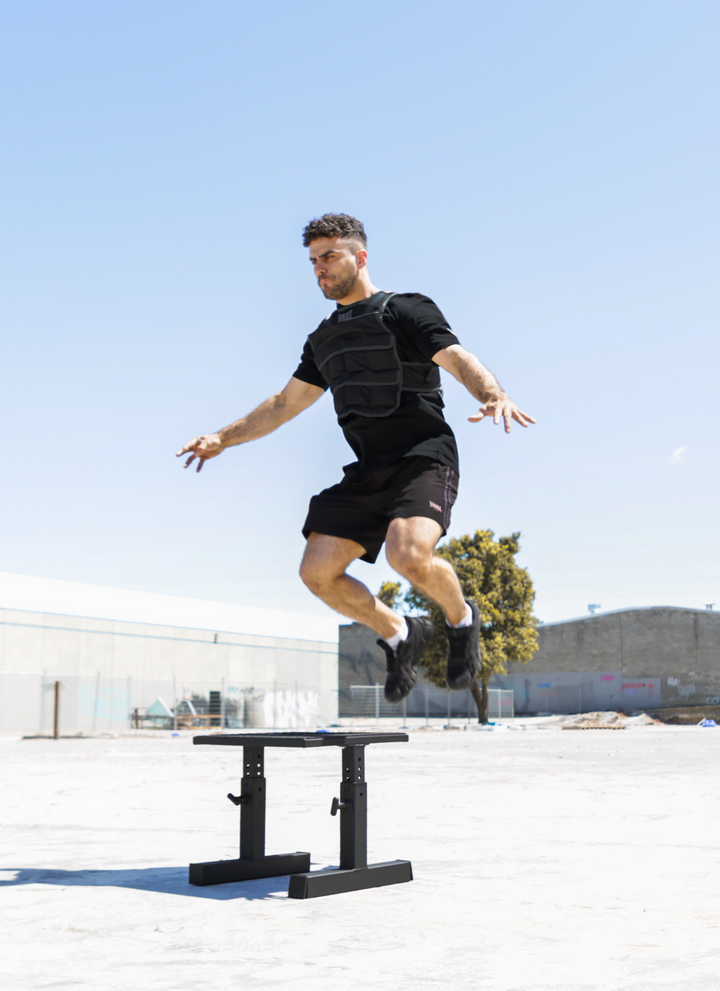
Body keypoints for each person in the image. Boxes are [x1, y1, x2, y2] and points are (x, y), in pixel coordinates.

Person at [178, 213, 535, 704]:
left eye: (328, 256)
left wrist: (492, 394)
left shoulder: (405, 309)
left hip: (422, 458)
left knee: (407, 555)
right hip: (368, 471)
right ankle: (399, 632)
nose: (319, 268)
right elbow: (284, 405)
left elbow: (456, 357)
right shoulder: (322, 340)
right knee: (316, 573)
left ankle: (461, 618)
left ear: (360, 257)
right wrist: (222, 438)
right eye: (312, 261)